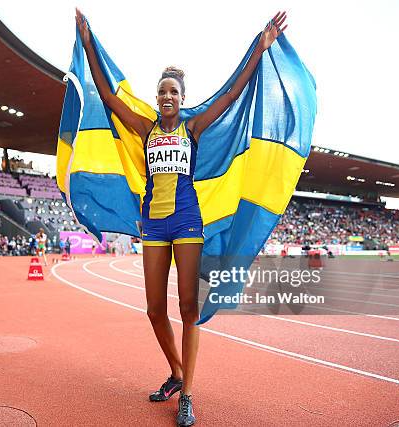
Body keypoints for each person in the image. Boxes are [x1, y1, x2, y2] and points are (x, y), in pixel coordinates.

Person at [76, 9, 287, 426]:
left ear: (182, 98)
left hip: (189, 222)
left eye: (173, 92)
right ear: (157, 99)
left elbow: (230, 94)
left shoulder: (192, 129)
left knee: (187, 307)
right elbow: (107, 96)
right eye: (162, 92)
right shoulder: (144, 128)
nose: (168, 97)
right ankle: (176, 371)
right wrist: (87, 43)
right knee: (155, 310)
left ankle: (187, 394)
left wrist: (259, 48)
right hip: (154, 225)